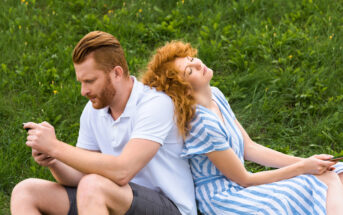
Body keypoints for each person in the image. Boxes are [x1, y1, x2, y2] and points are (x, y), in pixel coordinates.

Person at [141, 41, 343, 215]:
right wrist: (302, 168)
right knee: (325, 179)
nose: (197, 64)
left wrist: (307, 162)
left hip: (240, 185)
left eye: (191, 60)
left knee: (337, 171)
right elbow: (245, 179)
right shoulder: (201, 123)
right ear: (184, 88)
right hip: (226, 198)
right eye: (189, 70)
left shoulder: (216, 96)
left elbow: (249, 147)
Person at [11, 31, 197, 215]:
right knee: (26, 192)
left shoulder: (155, 104)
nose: (84, 91)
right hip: (113, 199)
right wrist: (53, 160)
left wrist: (55, 147)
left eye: (90, 81)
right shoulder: (93, 111)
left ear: (116, 73)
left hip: (169, 208)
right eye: (81, 82)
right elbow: (80, 174)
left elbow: (123, 171)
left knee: (93, 186)